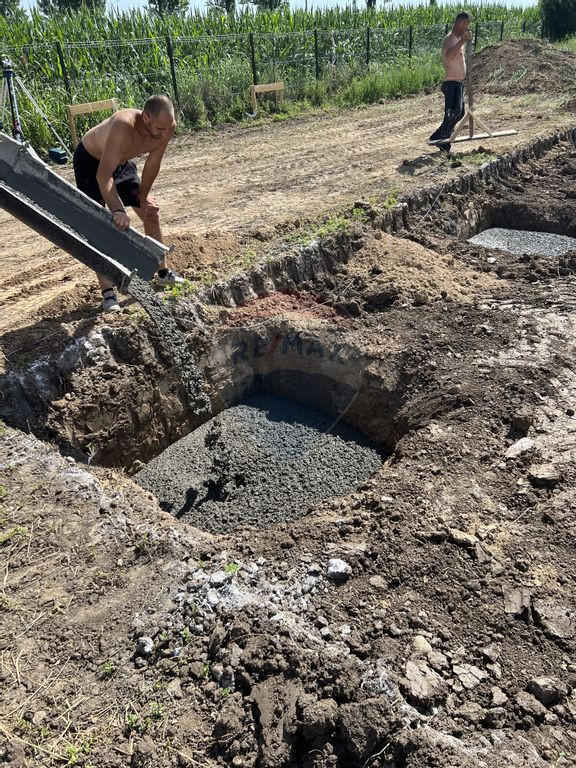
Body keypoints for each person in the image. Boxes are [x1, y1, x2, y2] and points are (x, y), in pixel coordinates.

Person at [73, 94, 183, 313]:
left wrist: (143, 196)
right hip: (91, 163)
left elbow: (153, 163)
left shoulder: (167, 126)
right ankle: (108, 293)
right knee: (98, 224)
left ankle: (162, 273)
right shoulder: (123, 125)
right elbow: (103, 176)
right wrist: (117, 209)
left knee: (150, 212)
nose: (164, 134)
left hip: (121, 161)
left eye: (167, 128)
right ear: (146, 118)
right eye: (159, 129)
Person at [428, 12, 472, 153]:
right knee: (452, 113)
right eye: (466, 24)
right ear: (460, 23)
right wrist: (462, 41)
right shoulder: (450, 39)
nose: (467, 27)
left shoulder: (458, 40)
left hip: (458, 83)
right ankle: (444, 143)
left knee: (459, 112)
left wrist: (463, 41)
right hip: (451, 83)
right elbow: (448, 58)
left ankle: (437, 136)